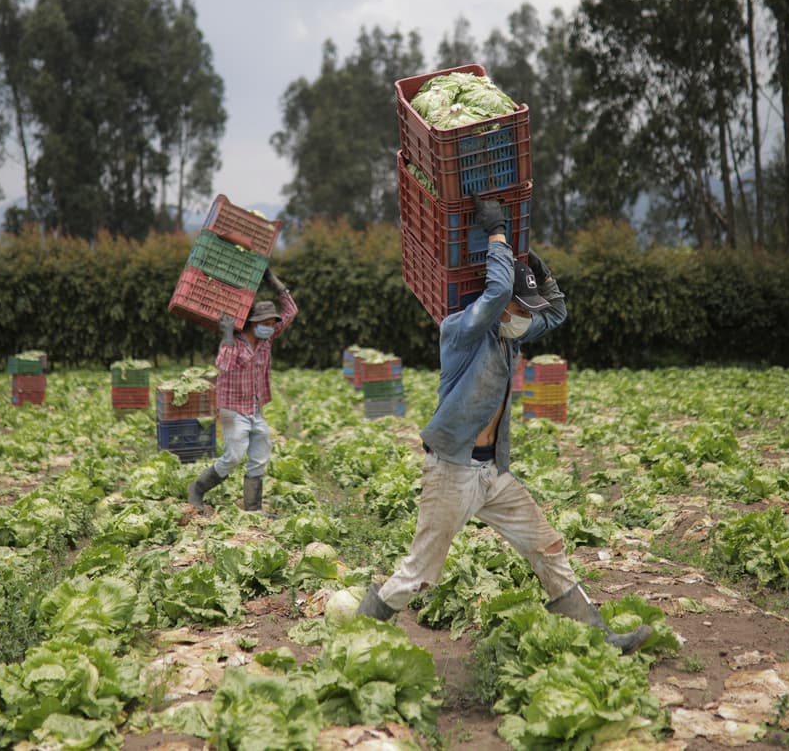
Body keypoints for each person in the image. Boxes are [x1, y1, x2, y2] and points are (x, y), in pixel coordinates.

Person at [356, 195, 651, 653]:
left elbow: (556, 312)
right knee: (419, 574)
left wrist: (540, 273)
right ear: (503, 306)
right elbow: (495, 294)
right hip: (452, 470)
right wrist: (496, 235)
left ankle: (600, 637)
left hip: (492, 473)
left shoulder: (511, 334)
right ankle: (359, 629)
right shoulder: (461, 330)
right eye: (521, 308)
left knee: (546, 546)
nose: (526, 318)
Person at [187, 267, 297, 514]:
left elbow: (291, 312)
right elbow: (224, 365)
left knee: (260, 455)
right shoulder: (235, 343)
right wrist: (227, 335)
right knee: (234, 456)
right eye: (265, 323)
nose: (270, 327)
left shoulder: (266, 340)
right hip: (233, 409)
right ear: (253, 323)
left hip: (255, 407)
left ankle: (253, 509)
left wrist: (273, 281)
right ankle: (197, 488)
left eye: (272, 323)